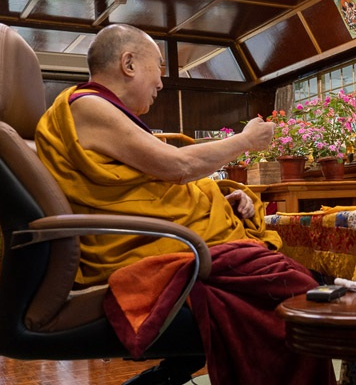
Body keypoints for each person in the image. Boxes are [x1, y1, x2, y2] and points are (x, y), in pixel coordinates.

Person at [34, 24, 335, 385]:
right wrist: (245, 140)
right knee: (292, 291)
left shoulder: (99, 110)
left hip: (166, 237)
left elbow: (146, 190)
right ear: (128, 63)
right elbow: (177, 166)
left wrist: (222, 201)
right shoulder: (86, 105)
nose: (161, 83)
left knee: (290, 286)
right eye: (158, 68)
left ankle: (171, 374)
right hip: (147, 248)